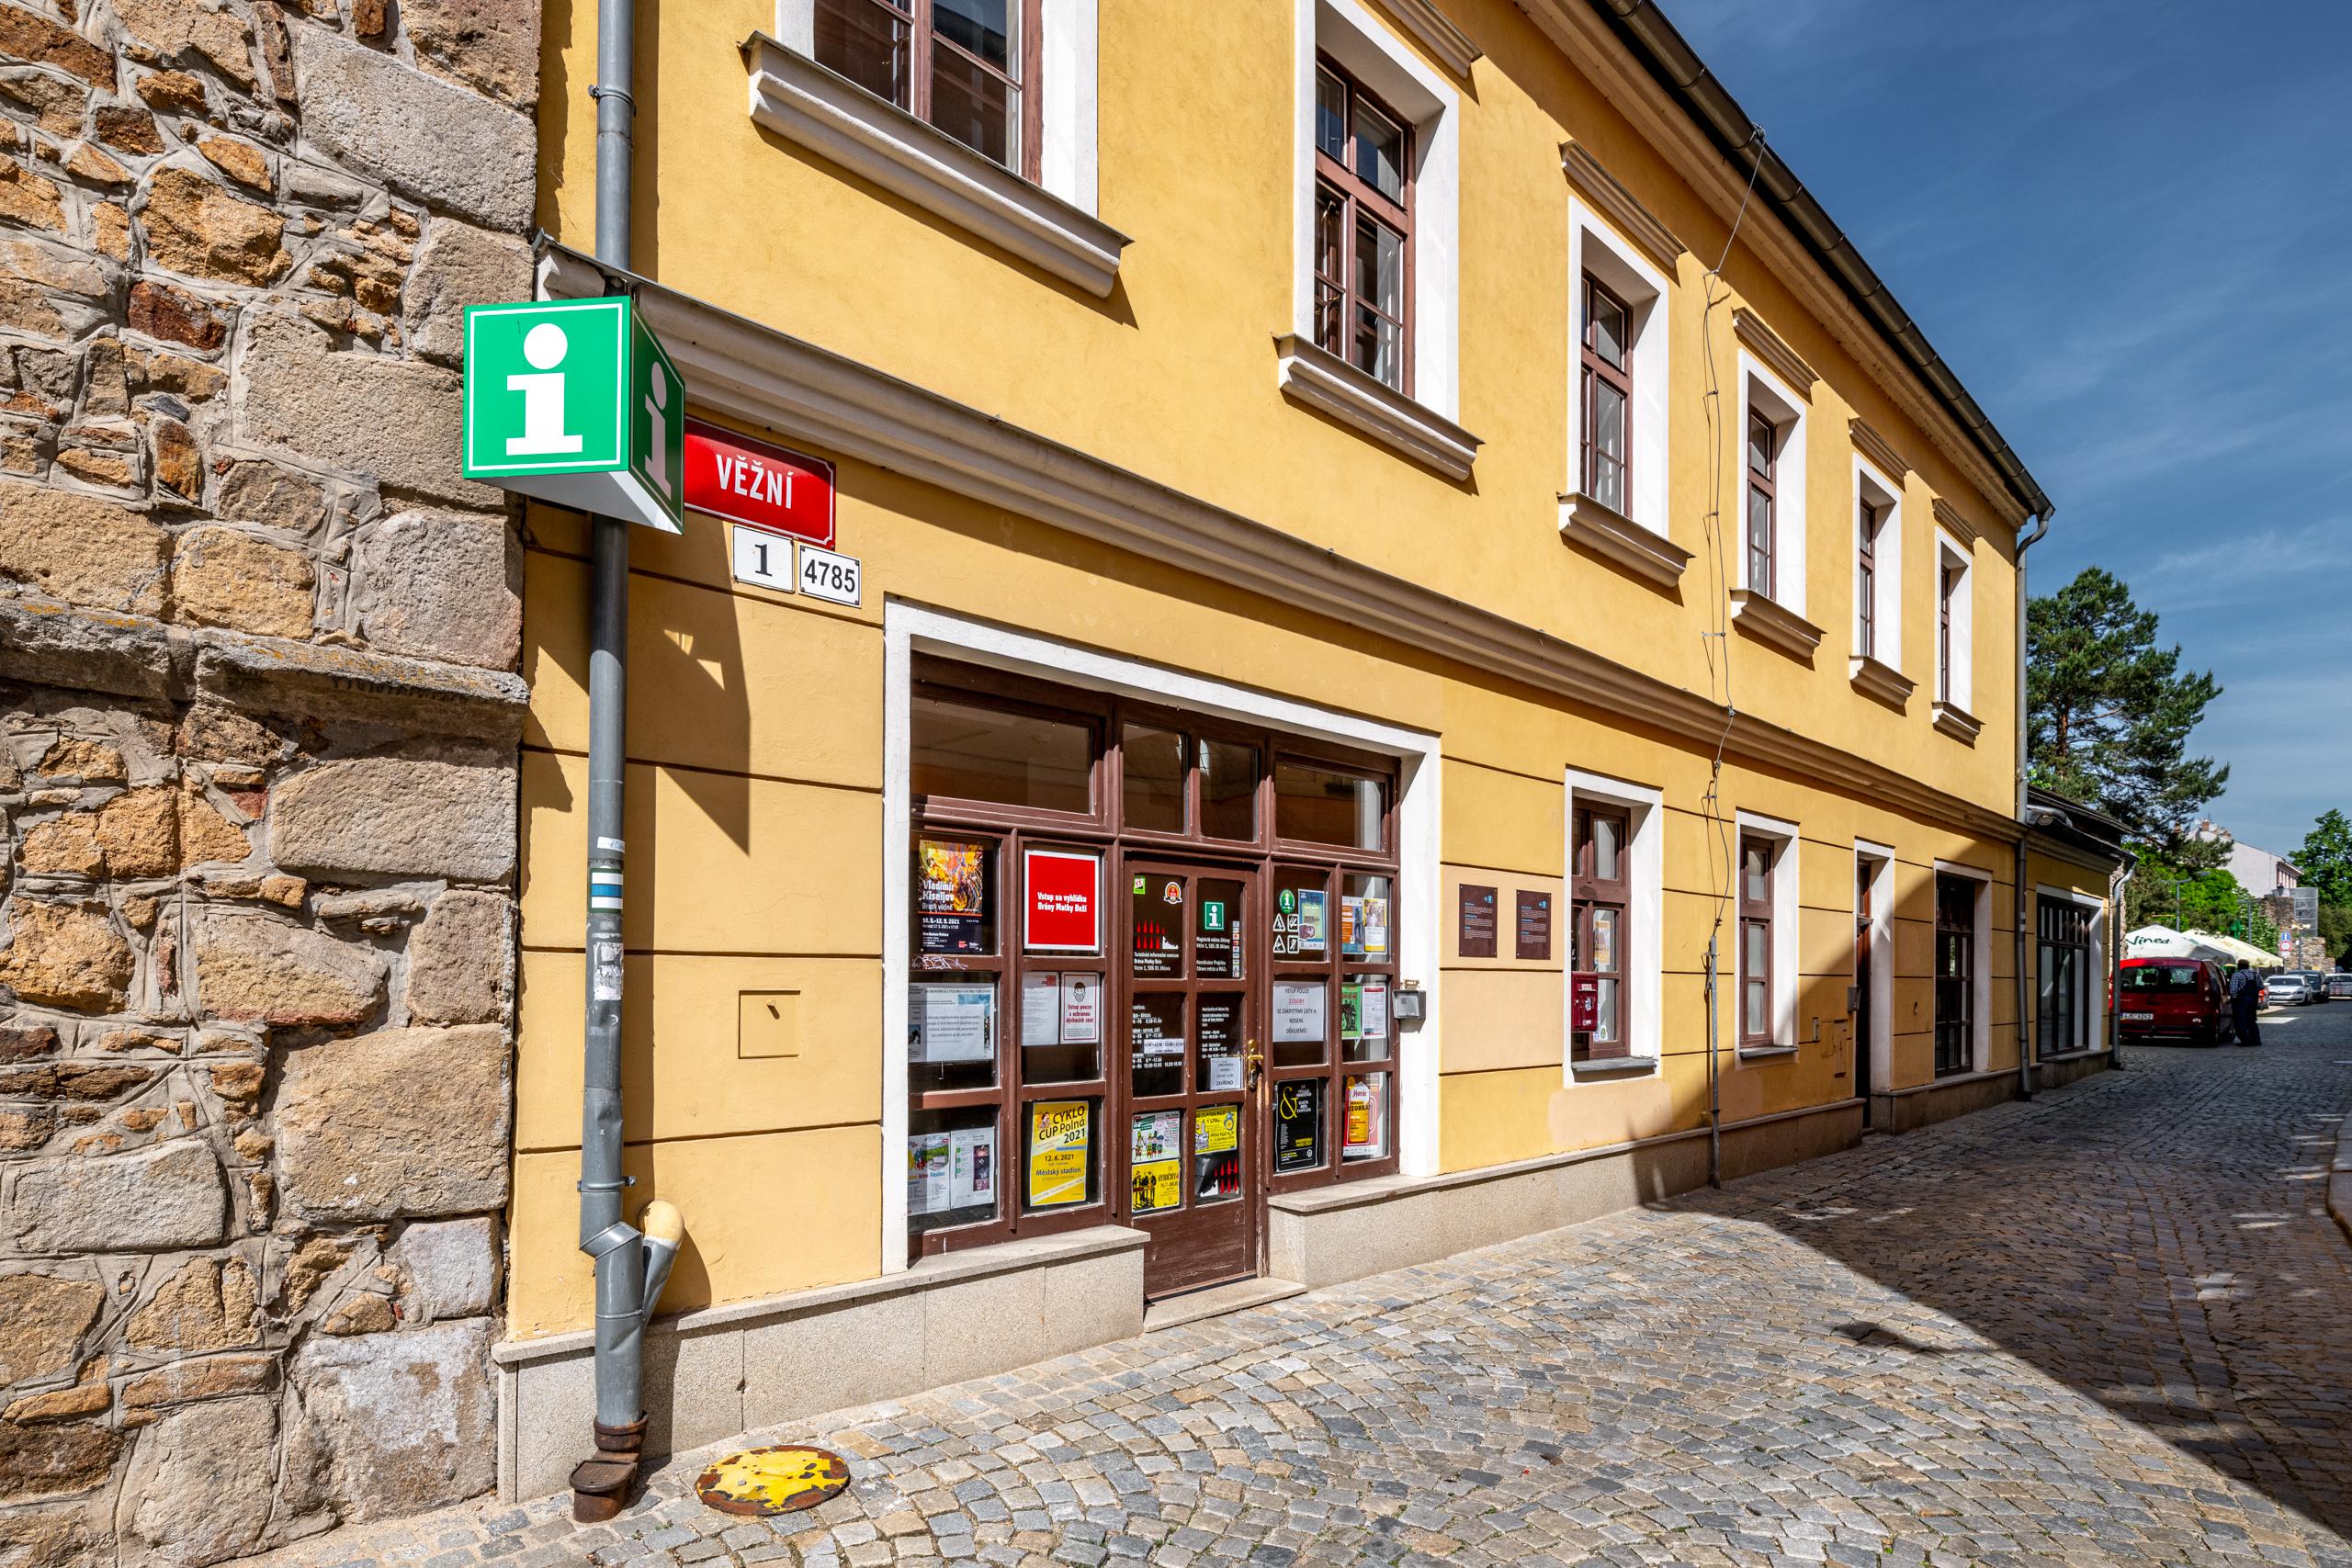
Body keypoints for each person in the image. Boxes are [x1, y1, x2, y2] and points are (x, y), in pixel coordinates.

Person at [2227, 959, 2263, 1047]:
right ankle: (2256, 1040)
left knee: (2240, 1021)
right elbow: (2260, 986)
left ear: (2239, 966)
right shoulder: (2255, 974)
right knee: (2252, 1020)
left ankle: (2245, 1040)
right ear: (2247, 965)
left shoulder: (2237, 975)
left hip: (2241, 1001)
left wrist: (2233, 999)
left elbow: (2233, 990)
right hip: (2253, 1000)